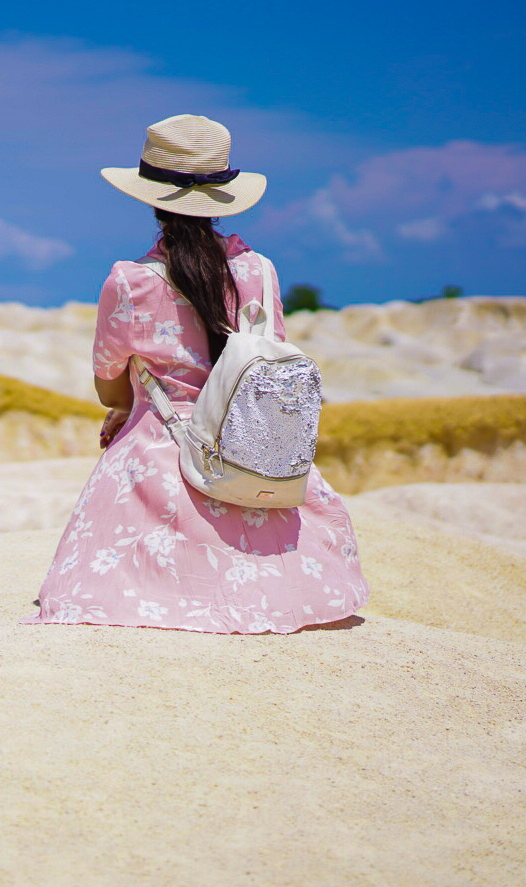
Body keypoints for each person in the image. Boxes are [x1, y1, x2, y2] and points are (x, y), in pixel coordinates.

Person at [20, 114, 368, 634]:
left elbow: (107, 384)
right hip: (251, 447)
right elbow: (266, 362)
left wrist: (127, 408)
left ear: (151, 197)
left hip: (163, 448)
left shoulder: (130, 281)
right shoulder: (260, 271)